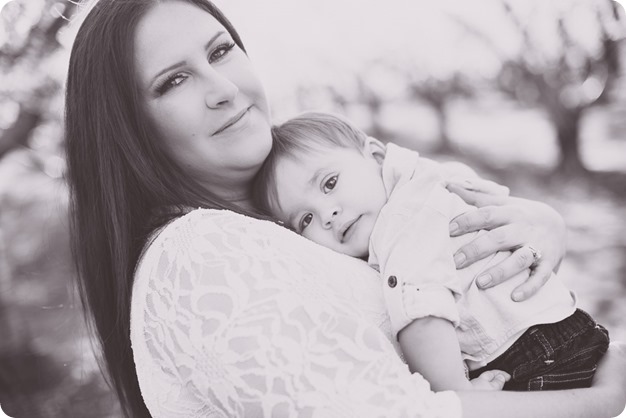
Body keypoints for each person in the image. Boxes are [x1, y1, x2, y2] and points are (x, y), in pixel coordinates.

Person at [63, 0, 626, 417]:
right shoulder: (198, 255)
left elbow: (417, 201)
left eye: (220, 51)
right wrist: (605, 400)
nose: (223, 89)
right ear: (127, 131)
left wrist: (539, 224)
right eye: (175, 80)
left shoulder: (287, 220)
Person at [252, 112, 610, 392]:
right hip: (557, 332)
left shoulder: (402, 219)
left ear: (375, 155)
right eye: (305, 219)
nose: (327, 214)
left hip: (534, 354)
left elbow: (421, 309)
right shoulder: (426, 180)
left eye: (330, 183)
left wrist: (454, 391)